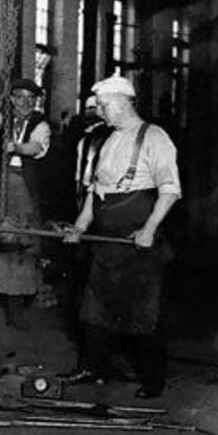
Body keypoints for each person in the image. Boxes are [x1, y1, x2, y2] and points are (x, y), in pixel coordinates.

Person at [63, 74, 181, 399]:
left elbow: (170, 191)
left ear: (119, 102)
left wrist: (149, 230)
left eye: (102, 105)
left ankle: (153, 382)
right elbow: (95, 192)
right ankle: (93, 367)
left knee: (142, 314)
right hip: (105, 241)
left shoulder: (154, 137)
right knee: (93, 309)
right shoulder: (108, 139)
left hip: (137, 241)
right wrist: (80, 227)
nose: (99, 111)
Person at [0, 78, 51, 330]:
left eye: (30, 99)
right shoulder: (1, 116)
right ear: (11, 99)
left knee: (22, 246)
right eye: (19, 97)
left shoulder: (40, 123)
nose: (25, 103)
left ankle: (17, 311)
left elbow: (36, 146)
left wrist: (16, 146)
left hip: (23, 190)